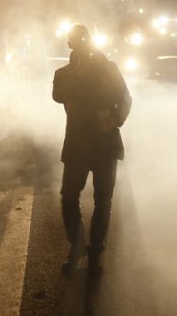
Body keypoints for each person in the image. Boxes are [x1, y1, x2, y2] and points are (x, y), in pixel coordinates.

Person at [52, 24, 132, 276]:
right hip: (77, 144)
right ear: (70, 44)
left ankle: (96, 251)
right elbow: (58, 95)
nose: (80, 44)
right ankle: (77, 247)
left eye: (83, 40)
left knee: (102, 201)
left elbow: (126, 98)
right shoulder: (64, 73)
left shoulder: (109, 68)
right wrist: (79, 72)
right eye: (76, 41)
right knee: (68, 197)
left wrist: (116, 118)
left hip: (105, 143)